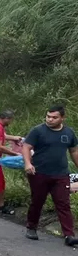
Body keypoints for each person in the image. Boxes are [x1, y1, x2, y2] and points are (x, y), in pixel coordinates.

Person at [22, 104, 78, 246]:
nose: (50, 119)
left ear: (62, 118)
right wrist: (28, 163)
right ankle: (31, 227)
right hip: (39, 172)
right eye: (48, 116)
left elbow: (74, 151)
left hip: (61, 174)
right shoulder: (38, 131)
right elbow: (26, 147)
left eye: (54, 117)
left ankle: (69, 235)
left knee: (63, 203)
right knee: (37, 201)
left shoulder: (69, 133)